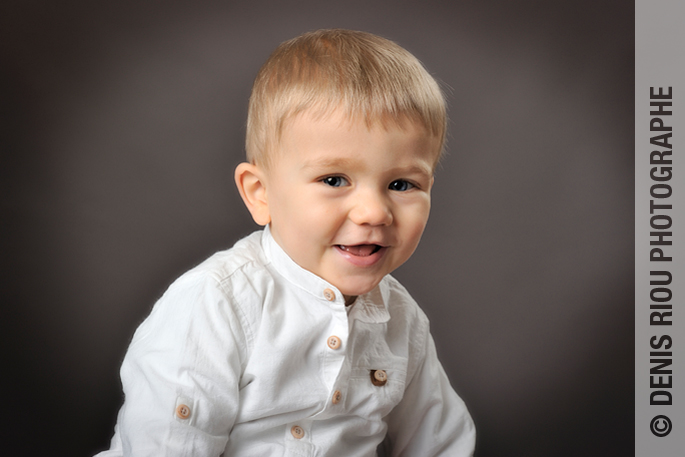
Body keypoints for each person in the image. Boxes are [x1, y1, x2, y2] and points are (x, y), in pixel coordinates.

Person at [96, 28, 475, 456]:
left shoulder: (402, 320)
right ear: (261, 193)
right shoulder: (216, 303)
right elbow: (169, 444)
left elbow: (441, 441)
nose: (374, 212)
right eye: (334, 180)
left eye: (402, 184)